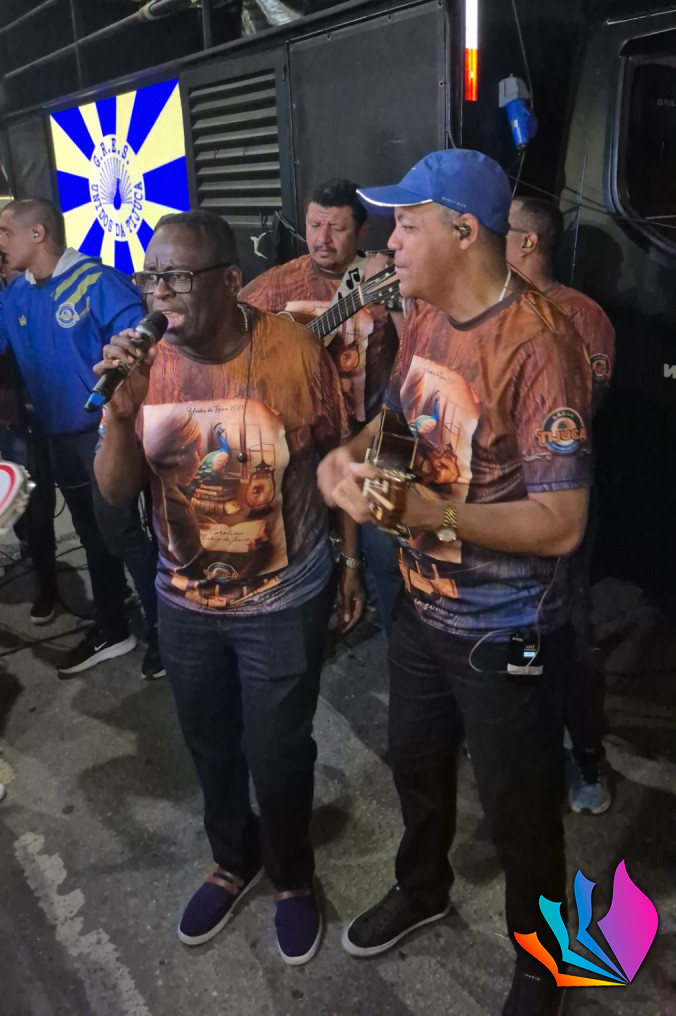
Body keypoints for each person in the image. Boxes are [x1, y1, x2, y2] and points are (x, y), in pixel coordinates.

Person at [318, 150, 592, 1016]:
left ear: (464, 231)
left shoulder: (541, 344)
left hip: (507, 629)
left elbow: (563, 522)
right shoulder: (429, 317)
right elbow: (401, 423)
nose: (388, 242)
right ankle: (423, 887)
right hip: (421, 608)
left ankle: (546, 964)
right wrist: (349, 459)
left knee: (520, 807)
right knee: (417, 764)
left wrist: (431, 511)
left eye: (406, 224)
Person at [94, 208, 350, 966]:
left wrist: (351, 564)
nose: (158, 294)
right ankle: (234, 860)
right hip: (184, 605)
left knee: (278, 751)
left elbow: (337, 458)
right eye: (151, 277)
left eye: (176, 277)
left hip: (283, 601)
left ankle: (292, 876)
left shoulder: (293, 351)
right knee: (209, 743)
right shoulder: (145, 367)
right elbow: (114, 491)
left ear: (230, 280)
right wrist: (120, 417)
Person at [0, 198, 161, 679]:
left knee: (124, 535)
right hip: (57, 438)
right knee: (93, 537)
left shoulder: (97, 282)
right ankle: (114, 627)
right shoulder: (17, 293)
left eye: (5, 232)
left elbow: (145, 356)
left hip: (106, 437)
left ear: (37, 234)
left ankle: (168, 636)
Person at [241, 178, 402, 636]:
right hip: (304, 441)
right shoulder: (279, 282)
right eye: (314, 225)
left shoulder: (384, 276)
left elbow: (420, 357)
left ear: (362, 230)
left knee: (384, 548)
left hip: (371, 437)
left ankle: (390, 633)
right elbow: (230, 326)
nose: (322, 239)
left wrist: (398, 310)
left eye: (337, 228)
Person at [507, 195, 616, 815]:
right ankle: (529, 743)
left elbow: (578, 412)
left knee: (571, 628)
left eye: (502, 231)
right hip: (502, 511)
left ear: (528, 242)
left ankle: (589, 755)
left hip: (560, 506)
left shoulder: (581, 315)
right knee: (518, 627)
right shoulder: (489, 311)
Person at [0, 252, 59, 623]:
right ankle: (31, 551)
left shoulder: (21, 298)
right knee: (18, 507)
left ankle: (48, 587)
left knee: (35, 504)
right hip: (9, 420)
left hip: (26, 417)